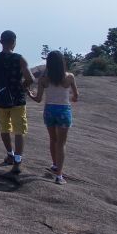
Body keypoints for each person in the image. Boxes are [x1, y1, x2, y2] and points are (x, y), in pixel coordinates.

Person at [28, 50, 80, 185]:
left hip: (49, 111)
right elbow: (76, 95)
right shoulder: (69, 77)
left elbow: (38, 99)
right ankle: (59, 176)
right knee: (61, 144)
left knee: (53, 140)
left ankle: (55, 165)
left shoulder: (43, 80)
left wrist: (29, 93)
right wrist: (73, 98)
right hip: (63, 110)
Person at [0, 30, 34, 173]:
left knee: (4, 128)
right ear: (14, 42)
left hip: (1, 99)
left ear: (1, 42)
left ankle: (10, 154)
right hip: (17, 100)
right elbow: (30, 78)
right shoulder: (20, 59)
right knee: (19, 130)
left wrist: (2, 85)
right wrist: (22, 87)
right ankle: (17, 160)